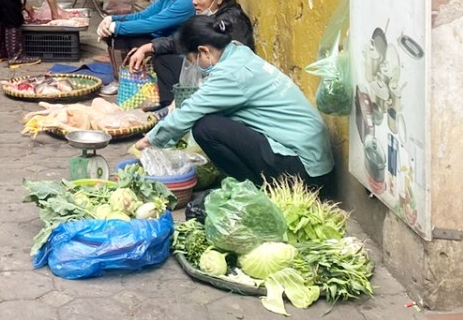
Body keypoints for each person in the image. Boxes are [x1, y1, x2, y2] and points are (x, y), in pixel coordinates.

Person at [136, 13, 334, 191]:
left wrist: (150, 140)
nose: (194, 66)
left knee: (206, 127)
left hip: (304, 171)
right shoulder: (240, 53)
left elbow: (190, 110)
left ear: (204, 51)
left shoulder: (230, 74)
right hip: (317, 164)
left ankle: (252, 189)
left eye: (193, 59)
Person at [126, 0, 255, 100]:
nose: (194, 2)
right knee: (163, 58)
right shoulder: (209, 13)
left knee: (170, 60)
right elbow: (184, 39)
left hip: (227, 83)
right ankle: (171, 105)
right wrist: (148, 47)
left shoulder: (230, 21)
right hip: (212, 73)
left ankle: (175, 108)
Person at [95, 0, 195, 101]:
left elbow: (152, 24)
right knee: (118, 31)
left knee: (120, 32)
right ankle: (122, 77)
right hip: (160, 39)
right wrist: (112, 19)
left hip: (173, 47)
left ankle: (124, 79)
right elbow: (143, 15)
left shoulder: (186, 1)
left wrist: (116, 27)